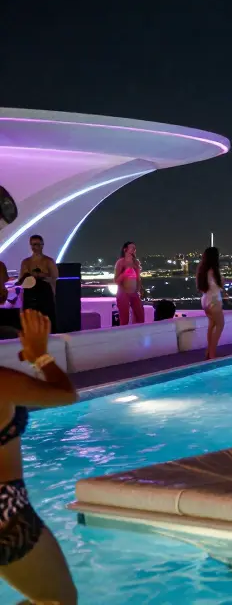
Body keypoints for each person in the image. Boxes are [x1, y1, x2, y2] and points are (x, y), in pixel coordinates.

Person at [0, 310, 79, 604]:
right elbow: (66, 394)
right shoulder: (2, 382)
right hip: (4, 512)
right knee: (59, 600)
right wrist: (40, 356)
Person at [18, 235, 58, 329]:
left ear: (42, 245)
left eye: (37, 244)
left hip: (45, 297)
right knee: (31, 324)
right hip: (29, 296)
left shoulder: (48, 261)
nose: (34, 247)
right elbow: (22, 281)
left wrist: (41, 276)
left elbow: (54, 277)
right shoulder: (26, 262)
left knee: (46, 323)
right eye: (32, 245)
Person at [196, 247, 225, 359]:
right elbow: (220, 285)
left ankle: (209, 351)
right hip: (214, 301)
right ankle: (212, 353)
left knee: (212, 325)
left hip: (205, 300)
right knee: (220, 325)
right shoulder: (214, 271)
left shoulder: (202, 271)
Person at [113, 241, 145, 326]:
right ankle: (124, 337)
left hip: (134, 293)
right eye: (131, 247)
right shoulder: (120, 262)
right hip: (123, 294)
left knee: (140, 317)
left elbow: (138, 278)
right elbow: (116, 280)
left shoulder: (136, 262)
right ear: (125, 249)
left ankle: (137, 336)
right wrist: (125, 272)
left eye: (134, 248)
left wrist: (140, 289)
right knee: (124, 319)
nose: (134, 249)